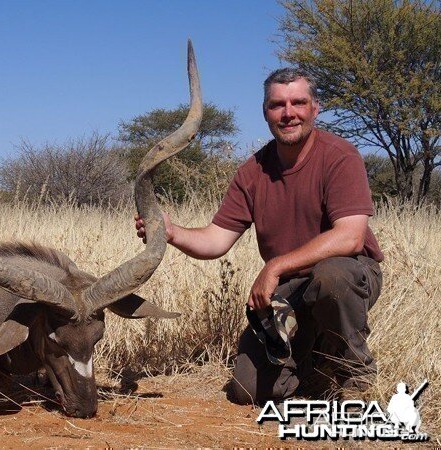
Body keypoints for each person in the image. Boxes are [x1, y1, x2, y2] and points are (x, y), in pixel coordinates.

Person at [135, 67, 383, 405]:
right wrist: (171, 232)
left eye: (299, 102)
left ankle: (357, 377)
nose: (288, 113)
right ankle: (316, 360)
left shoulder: (340, 156)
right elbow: (216, 240)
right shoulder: (253, 170)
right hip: (289, 290)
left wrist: (275, 266)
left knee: (331, 277)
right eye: (277, 105)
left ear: (315, 108)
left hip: (347, 274)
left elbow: (350, 238)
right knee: (248, 391)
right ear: (265, 111)